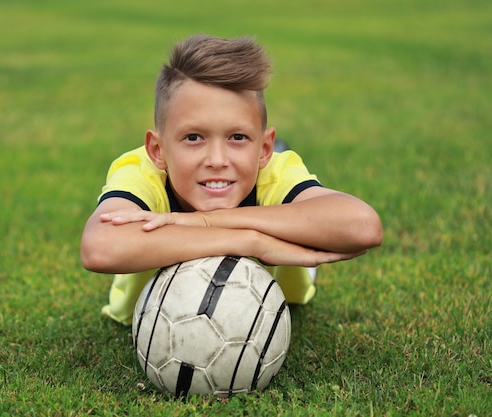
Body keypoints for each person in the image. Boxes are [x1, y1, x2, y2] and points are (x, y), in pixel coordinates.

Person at [80, 34, 383, 325]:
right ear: (157, 150)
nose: (217, 160)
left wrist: (204, 222)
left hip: (282, 292)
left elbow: (363, 226)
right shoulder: (143, 172)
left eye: (237, 137)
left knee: (298, 200)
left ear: (264, 148)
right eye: (194, 137)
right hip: (146, 317)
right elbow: (100, 247)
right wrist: (252, 242)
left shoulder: (272, 172)